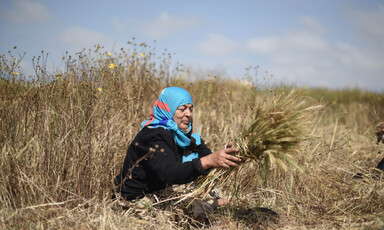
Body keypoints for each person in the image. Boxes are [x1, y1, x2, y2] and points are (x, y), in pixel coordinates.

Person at [113, 86, 241, 218]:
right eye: (182, 109)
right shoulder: (153, 135)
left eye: (191, 109)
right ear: (168, 110)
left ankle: (208, 206)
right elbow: (168, 172)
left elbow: (205, 157)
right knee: (189, 210)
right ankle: (210, 206)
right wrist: (209, 161)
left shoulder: (184, 135)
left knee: (203, 196)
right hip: (135, 199)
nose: (188, 114)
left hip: (161, 192)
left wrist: (223, 158)